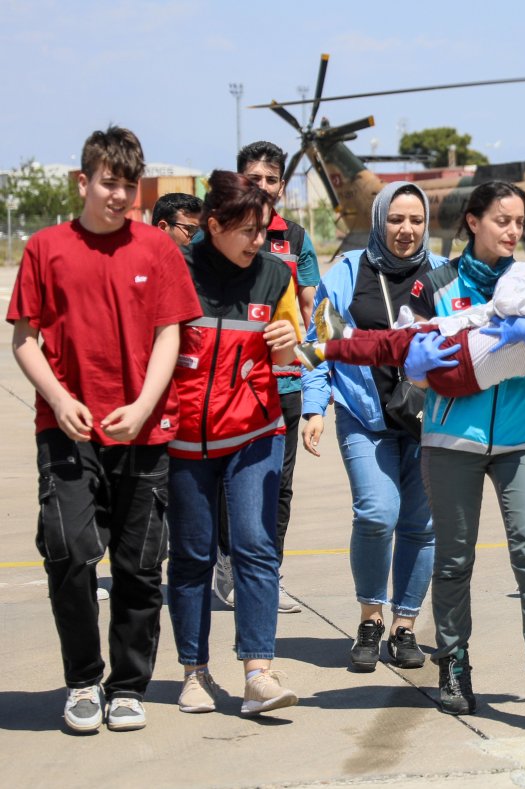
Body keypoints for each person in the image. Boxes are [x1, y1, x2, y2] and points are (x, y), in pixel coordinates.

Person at [7, 126, 202, 732]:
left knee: (141, 567)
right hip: (67, 429)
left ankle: (126, 686)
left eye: (128, 184)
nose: (118, 195)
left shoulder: (158, 250)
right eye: (108, 182)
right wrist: (59, 399)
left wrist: (145, 404)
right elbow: (24, 338)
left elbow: (172, 332)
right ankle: (83, 680)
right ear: (84, 181)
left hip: (142, 431)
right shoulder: (45, 248)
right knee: (67, 552)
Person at [405, 180, 525, 725]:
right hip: (450, 441)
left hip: (521, 439)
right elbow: (409, 362)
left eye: (518, 224)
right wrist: (425, 367)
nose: (512, 232)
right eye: (501, 220)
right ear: (472, 221)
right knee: (455, 560)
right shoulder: (433, 285)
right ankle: (454, 663)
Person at [167, 169, 301, 717]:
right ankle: (194, 673)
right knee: (193, 555)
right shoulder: (175, 271)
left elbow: (291, 359)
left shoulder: (274, 276)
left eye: (264, 230)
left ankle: (257, 674)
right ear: (214, 224)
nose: (257, 242)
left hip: (254, 433)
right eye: (246, 231)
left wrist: (290, 344)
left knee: (254, 545)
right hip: (183, 441)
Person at [300, 182, 445, 672]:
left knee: (421, 526)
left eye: (416, 220)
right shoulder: (346, 272)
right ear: (379, 219)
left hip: (429, 420)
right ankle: (370, 618)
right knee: (377, 514)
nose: (406, 230)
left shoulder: (443, 274)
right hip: (365, 417)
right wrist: (314, 406)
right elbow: (318, 341)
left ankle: (405, 627)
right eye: (396, 219)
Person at [210, 141, 322, 614]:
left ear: (280, 185)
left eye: (270, 180)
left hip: (286, 381)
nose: (262, 188)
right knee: (224, 480)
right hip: (230, 384)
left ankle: (266, 572)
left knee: (279, 483)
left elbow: (309, 313)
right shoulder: (215, 234)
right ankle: (228, 561)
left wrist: (315, 385)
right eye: (252, 179)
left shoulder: (295, 240)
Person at [296, 263, 525, 396]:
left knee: (392, 345)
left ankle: (327, 347)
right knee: (390, 345)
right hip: (466, 381)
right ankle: (340, 340)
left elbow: (508, 289)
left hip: (456, 353)